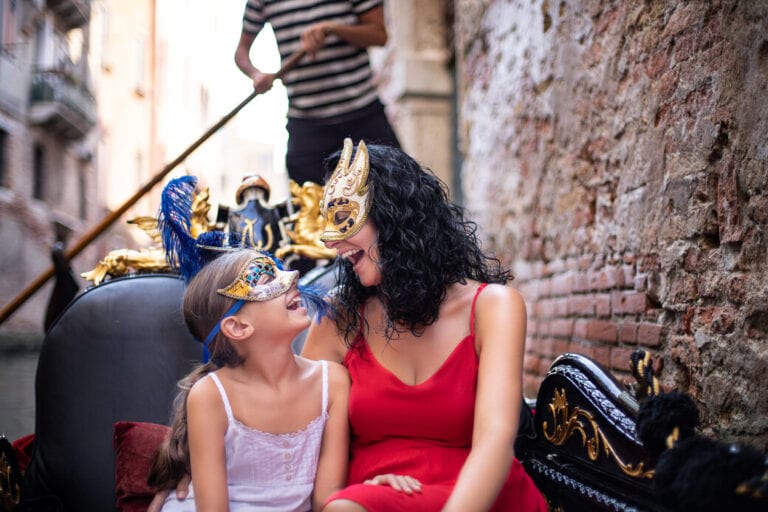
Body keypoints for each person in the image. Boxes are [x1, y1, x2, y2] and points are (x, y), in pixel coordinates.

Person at [300, 139, 548, 511]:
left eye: (345, 220)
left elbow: (495, 438)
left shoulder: (493, 307)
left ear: (393, 218)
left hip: (478, 497)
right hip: (367, 501)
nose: (332, 241)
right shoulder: (338, 317)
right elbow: (293, 428)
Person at [146, 249, 351, 511]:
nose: (292, 275)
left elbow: (326, 499)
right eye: (267, 280)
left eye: (280, 269)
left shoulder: (332, 382)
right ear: (238, 327)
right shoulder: (209, 396)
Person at [235, 0, 400, 186]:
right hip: (306, 124)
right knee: (307, 208)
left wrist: (334, 29)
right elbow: (241, 52)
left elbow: (379, 35)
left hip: (362, 115)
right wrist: (257, 75)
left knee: (396, 195)